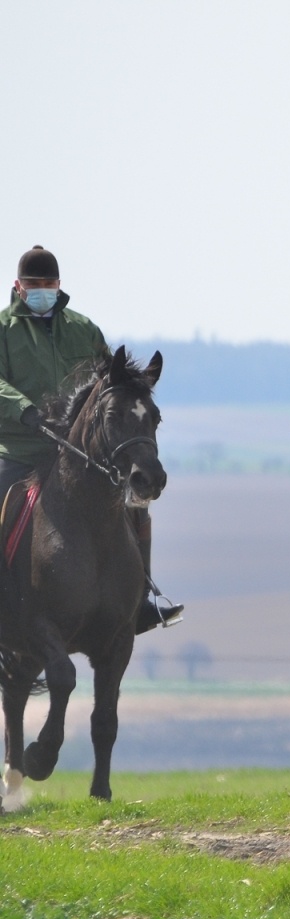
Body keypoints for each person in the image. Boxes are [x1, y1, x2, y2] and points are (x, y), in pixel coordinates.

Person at [0, 245, 182, 632]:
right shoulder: (2, 330)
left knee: (135, 503)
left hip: (74, 451)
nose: (42, 291)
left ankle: (142, 598)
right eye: (34, 285)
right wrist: (23, 409)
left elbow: (110, 379)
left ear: (59, 285)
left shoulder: (83, 329)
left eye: (48, 285)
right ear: (18, 287)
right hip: (20, 448)